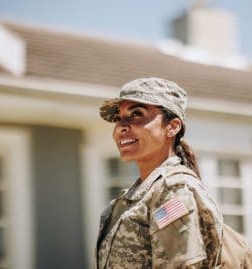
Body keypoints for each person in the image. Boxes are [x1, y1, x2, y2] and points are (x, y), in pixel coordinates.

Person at [95, 77, 223, 268]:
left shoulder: (172, 192)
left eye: (137, 113)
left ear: (172, 127)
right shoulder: (140, 195)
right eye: (118, 118)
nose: (121, 127)